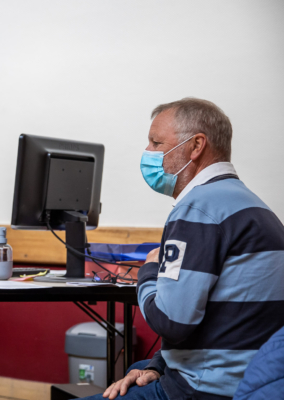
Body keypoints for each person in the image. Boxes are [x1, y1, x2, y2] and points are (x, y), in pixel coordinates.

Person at [85, 98, 284, 400]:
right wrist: (159, 365)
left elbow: (171, 322)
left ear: (196, 146)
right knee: (140, 366)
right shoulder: (253, 205)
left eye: (156, 142)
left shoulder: (199, 209)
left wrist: (149, 270)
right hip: (252, 378)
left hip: (203, 389)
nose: (148, 153)